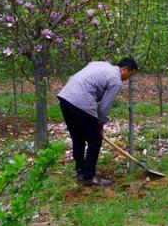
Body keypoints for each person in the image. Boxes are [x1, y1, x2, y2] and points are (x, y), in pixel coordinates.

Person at [57, 58, 138, 186]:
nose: (128, 78)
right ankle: (89, 176)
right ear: (124, 69)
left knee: (77, 137)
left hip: (65, 97)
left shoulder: (101, 64)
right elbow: (103, 108)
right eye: (130, 74)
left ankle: (81, 171)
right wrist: (99, 126)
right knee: (95, 141)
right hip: (81, 101)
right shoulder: (116, 81)